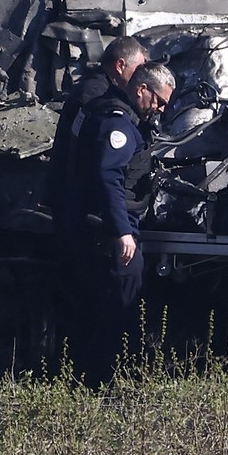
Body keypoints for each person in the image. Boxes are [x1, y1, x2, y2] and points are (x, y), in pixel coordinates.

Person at [65, 60, 174, 382]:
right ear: (141, 89)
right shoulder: (117, 123)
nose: (160, 110)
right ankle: (108, 383)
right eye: (159, 101)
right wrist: (122, 231)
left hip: (103, 230)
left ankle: (94, 380)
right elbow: (108, 177)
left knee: (103, 312)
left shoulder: (116, 116)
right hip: (110, 235)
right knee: (118, 312)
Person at [49, 35, 148, 230]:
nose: (140, 79)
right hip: (80, 204)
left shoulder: (96, 89)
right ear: (120, 66)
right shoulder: (96, 96)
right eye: (138, 70)